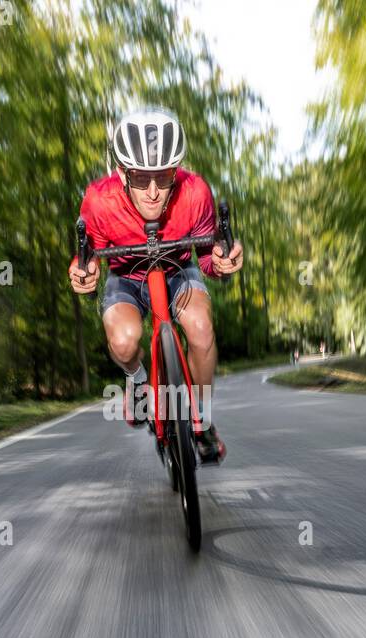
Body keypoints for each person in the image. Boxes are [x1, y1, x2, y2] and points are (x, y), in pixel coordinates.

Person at [68, 107, 243, 464]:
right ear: (121, 173)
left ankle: (203, 418)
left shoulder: (195, 193)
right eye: (139, 177)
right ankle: (137, 381)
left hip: (178, 271)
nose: (151, 192)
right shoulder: (99, 200)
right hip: (125, 278)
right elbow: (87, 259)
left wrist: (223, 263)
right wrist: (83, 275)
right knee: (123, 339)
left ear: (176, 172)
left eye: (163, 179)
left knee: (200, 327)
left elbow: (209, 259)